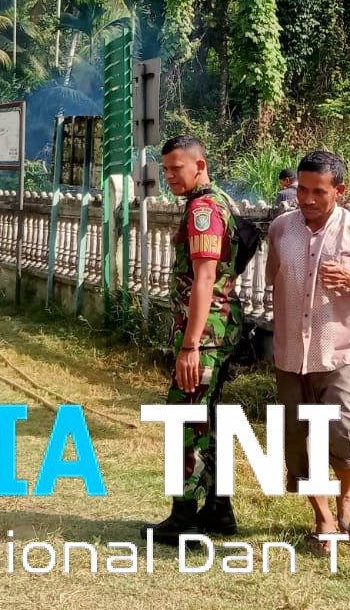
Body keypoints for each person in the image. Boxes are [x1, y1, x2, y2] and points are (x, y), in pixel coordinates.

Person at [265, 150, 350, 553]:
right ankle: (321, 515)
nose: (305, 198)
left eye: (317, 192)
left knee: (344, 424)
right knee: (299, 439)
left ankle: (347, 494)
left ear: (338, 190)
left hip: (343, 348)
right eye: (301, 189)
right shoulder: (281, 230)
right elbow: (274, 280)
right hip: (291, 351)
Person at [142, 135, 246, 543]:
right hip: (214, 331)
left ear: (199, 165)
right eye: (165, 169)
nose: (169, 176)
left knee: (182, 419)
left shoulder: (204, 208)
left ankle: (183, 516)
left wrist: (190, 346)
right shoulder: (216, 201)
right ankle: (219, 511)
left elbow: (205, 277)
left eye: (176, 168)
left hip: (204, 335)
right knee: (205, 419)